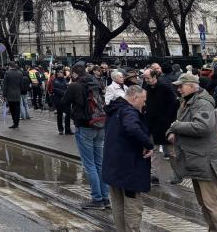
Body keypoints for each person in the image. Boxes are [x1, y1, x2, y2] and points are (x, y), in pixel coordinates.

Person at [167, 74, 217, 232]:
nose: (178, 89)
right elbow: (176, 123)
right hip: (195, 160)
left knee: (212, 205)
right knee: (204, 204)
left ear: (192, 86)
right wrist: (170, 131)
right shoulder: (186, 101)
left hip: (205, 161)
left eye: (181, 86)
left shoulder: (203, 103)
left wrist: (176, 127)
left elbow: (202, 127)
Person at [102, 85, 153, 232]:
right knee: (132, 207)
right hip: (129, 169)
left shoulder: (114, 109)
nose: (144, 104)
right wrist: (148, 144)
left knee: (118, 206)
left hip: (114, 167)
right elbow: (132, 128)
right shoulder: (128, 111)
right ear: (135, 98)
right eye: (143, 100)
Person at [62, 61, 109, 210]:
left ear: (74, 73)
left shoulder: (74, 85)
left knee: (89, 164)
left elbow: (63, 103)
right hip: (100, 125)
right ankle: (105, 197)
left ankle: (97, 199)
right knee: (100, 163)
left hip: (85, 126)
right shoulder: (95, 82)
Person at [142, 67, 179, 185]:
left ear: (154, 77)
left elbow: (174, 105)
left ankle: (177, 174)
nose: (146, 80)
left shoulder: (165, 88)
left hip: (165, 125)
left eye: (148, 78)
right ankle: (154, 176)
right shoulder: (146, 88)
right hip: (152, 125)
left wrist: (168, 120)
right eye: (145, 78)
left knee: (171, 152)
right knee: (154, 151)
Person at [2, 63, 24, 128]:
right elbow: (21, 84)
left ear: (10, 66)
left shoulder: (7, 73)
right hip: (17, 93)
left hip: (10, 94)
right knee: (17, 109)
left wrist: (4, 94)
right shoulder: (20, 73)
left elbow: (5, 85)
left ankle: (14, 121)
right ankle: (16, 122)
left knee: (12, 109)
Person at [51, 69, 72, 135]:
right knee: (59, 115)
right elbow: (54, 89)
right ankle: (60, 129)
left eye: (62, 72)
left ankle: (67, 130)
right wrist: (64, 93)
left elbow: (68, 87)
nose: (61, 74)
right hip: (58, 100)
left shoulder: (65, 80)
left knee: (68, 114)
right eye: (60, 72)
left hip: (66, 100)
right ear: (57, 73)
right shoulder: (54, 80)